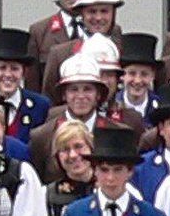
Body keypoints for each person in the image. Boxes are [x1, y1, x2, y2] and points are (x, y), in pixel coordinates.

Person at [39, 0, 124, 98]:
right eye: (92, 11)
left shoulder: (124, 50)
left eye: (104, 11)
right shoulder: (60, 54)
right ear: (81, 13)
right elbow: (50, 102)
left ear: (113, 13)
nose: (98, 18)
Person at [28, 53, 109, 181]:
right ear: (64, 95)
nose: (80, 96)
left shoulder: (114, 132)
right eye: (73, 89)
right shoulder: (42, 136)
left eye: (87, 89)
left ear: (98, 94)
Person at [0, 29, 52, 146]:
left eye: (14, 68)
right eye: (2, 68)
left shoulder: (40, 106)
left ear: (24, 72)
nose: (8, 75)